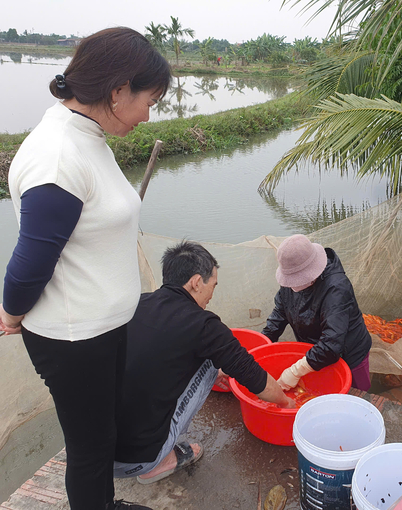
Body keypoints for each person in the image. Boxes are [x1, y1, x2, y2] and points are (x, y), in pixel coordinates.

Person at [0, 28, 172, 510]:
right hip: (75, 338)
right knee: (91, 449)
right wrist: (12, 314)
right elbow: (29, 263)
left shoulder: (87, 135)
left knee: (104, 433)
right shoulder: (58, 156)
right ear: (118, 91)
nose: (148, 114)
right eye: (149, 100)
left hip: (103, 326)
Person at [113, 241, 294, 484]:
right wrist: (288, 402)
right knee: (210, 361)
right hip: (136, 460)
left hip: (95, 455)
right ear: (197, 282)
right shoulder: (204, 326)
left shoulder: (136, 304)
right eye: (213, 285)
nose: (212, 294)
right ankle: (160, 460)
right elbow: (256, 379)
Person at [262, 234, 372, 391]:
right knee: (319, 391)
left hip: (349, 353)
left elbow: (332, 344)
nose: (293, 285)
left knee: (356, 396)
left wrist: (295, 371)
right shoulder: (288, 285)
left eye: (298, 278)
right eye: (291, 279)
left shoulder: (336, 288)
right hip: (315, 353)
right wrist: (254, 354)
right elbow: (277, 318)